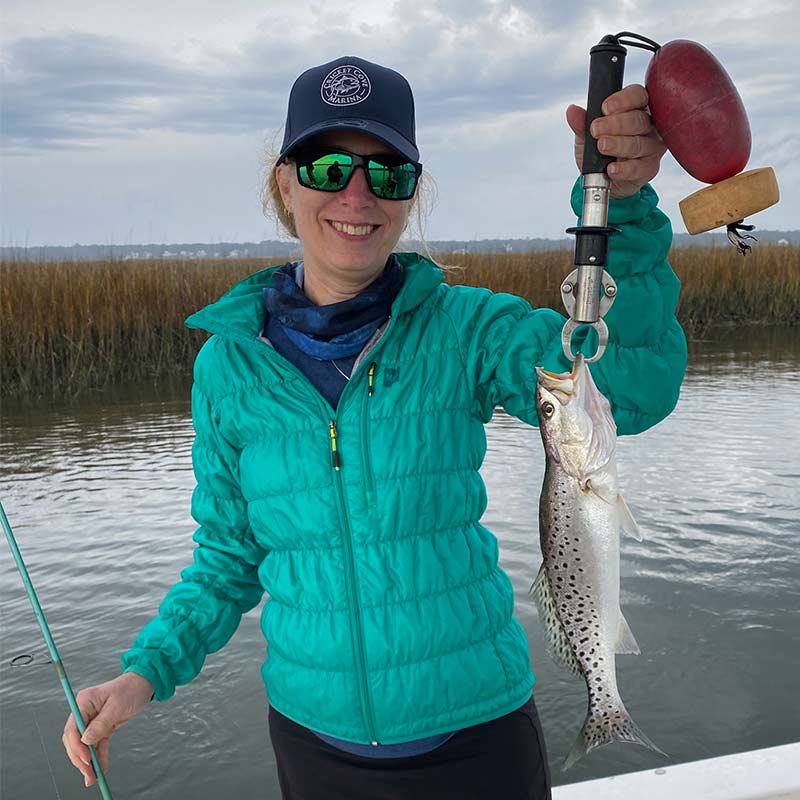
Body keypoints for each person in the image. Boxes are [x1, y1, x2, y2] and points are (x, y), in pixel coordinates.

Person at [62, 55, 686, 799]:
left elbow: (630, 387)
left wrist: (622, 205)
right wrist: (145, 673)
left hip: (478, 738)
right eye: (329, 167)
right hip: (315, 748)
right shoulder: (228, 368)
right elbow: (228, 560)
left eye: (388, 173)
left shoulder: (467, 329)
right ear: (284, 181)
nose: (358, 194)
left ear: (412, 193)